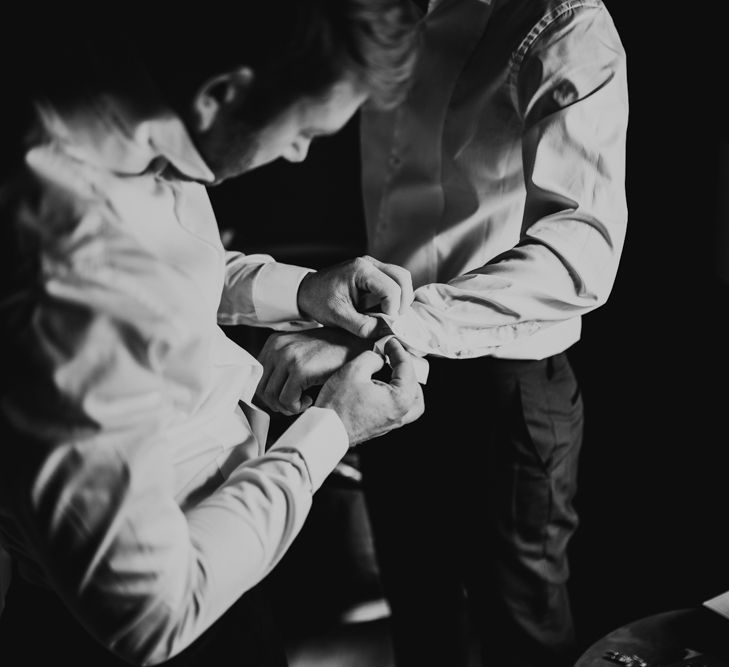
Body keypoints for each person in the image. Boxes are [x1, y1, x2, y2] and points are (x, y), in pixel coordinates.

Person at [0, 4, 422, 666]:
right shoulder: (68, 276)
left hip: (228, 546)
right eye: (303, 131)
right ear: (220, 94)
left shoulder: (115, 101)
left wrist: (303, 289)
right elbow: (152, 615)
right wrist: (331, 429)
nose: (299, 153)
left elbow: (155, 268)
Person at [255, 0, 629, 665]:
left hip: (506, 385)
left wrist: (393, 326)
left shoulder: (564, 22)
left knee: (524, 628)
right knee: (419, 609)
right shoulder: (376, 13)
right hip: (376, 367)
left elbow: (582, 251)